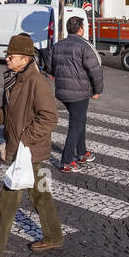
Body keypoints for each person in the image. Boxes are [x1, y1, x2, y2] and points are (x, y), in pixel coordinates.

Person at [0, 33, 63, 257]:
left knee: (7, 200)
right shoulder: (14, 78)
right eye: (8, 55)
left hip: (28, 150)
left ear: (25, 58)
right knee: (40, 194)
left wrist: (25, 139)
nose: (7, 58)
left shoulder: (36, 82)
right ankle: (54, 236)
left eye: (12, 56)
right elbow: (10, 110)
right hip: (26, 149)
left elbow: (49, 117)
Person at [45, 15, 103, 171]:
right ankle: (66, 161)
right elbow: (95, 71)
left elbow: (49, 67)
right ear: (81, 29)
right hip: (80, 93)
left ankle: (82, 152)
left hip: (62, 91)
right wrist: (97, 90)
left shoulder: (57, 45)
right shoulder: (85, 46)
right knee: (76, 124)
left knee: (79, 119)